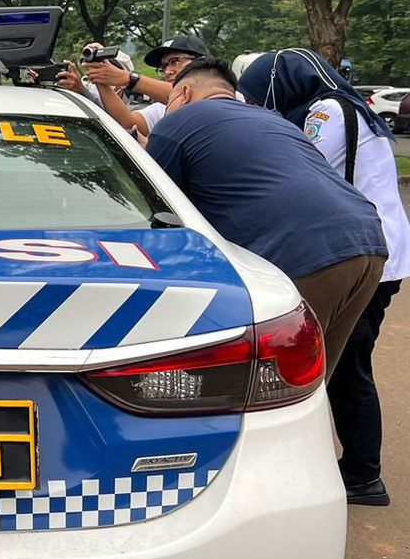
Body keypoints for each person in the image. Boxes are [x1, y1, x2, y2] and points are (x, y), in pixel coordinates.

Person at [239, 50, 410, 506]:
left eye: (260, 96)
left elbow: (290, 162)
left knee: (347, 369)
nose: (259, 107)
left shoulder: (326, 111)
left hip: (361, 250)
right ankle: (357, 469)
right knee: (345, 366)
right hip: (376, 248)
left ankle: (362, 474)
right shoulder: (346, 105)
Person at [146, 58, 387, 380]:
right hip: (366, 244)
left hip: (306, 253)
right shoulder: (275, 120)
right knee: (312, 385)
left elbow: (155, 208)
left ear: (184, 93)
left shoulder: (177, 122)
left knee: (272, 388)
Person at [85, 35, 211, 142]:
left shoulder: (218, 98)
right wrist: (100, 77)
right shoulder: (162, 108)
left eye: (175, 61)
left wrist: (128, 78)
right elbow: (127, 123)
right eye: (164, 66)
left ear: (201, 63)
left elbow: (190, 96)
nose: (167, 71)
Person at [55, 45, 136, 109]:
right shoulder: (85, 86)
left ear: (124, 82)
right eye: (94, 71)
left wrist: (83, 91)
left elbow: (116, 116)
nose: (97, 81)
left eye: (106, 74)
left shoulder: (135, 110)